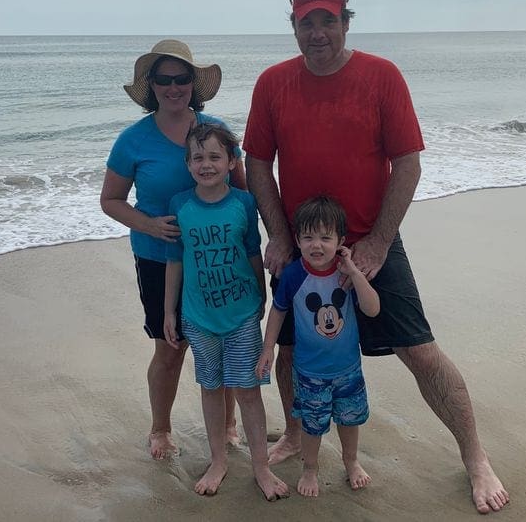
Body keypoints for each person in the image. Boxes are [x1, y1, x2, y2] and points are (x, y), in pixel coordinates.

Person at [243, 0, 510, 514]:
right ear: (293, 25)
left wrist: (380, 242)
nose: (317, 32)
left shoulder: (381, 76)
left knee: (420, 351)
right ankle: (297, 435)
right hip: (303, 248)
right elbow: (256, 162)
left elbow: (408, 162)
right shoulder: (273, 83)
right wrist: (278, 235)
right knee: (292, 350)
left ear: (346, 21)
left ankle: (476, 458)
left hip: (370, 244)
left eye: (328, 20)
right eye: (306, 22)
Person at [100, 39, 243, 461]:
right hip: (157, 258)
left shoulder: (215, 131)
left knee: (225, 339)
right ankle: (160, 429)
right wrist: (148, 224)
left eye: (182, 78)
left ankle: (230, 423)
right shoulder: (133, 140)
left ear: (193, 84)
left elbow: (244, 194)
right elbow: (110, 200)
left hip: (217, 257)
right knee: (170, 346)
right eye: (164, 79)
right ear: (151, 85)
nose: (174, 87)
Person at [162, 123, 289, 501]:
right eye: (197, 157)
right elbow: (175, 261)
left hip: (241, 317)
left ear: (232, 161)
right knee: (211, 388)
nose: (206, 164)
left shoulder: (244, 203)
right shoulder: (180, 205)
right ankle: (218, 461)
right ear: (187, 164)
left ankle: (261, 467)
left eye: (215, 156)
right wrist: (169, 311)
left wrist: (261, 296)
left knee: (248, 392)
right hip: (198, 319)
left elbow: (253, 251)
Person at [256, 195, 380, 497]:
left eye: (325, 238)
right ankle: (310, 469)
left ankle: (350, 462)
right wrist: (268, 348)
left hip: (348, 369)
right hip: (309, 371)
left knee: (349, 420)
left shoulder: (345, 273)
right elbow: (278, 310)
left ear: (340, 240)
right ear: (297, 240)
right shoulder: (295, 275)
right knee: (312, 425)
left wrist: (354, 273)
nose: (317, 245)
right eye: (308, 237)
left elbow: (372, 308)